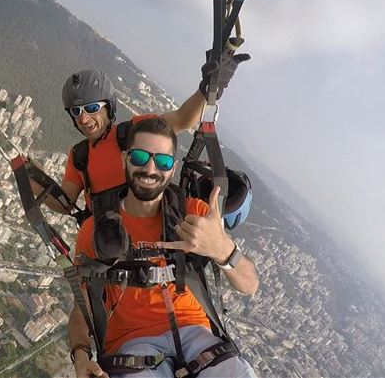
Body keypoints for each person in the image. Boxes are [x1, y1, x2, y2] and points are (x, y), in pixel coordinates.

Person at [67, 117, 259, 378]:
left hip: (196, 337)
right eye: (139, 157)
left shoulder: (194, 214)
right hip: (132, 342)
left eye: (163, 162)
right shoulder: (95, 231)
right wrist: (80, 357)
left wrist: (222, 248)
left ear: (172, 168)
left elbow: (250, 285)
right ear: (124, 158)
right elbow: (84, 307)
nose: (150, 169)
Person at [31, 51, 249, 218]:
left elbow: (183, 119)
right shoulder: (80, 156)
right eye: (76, 112)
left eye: (91, 109)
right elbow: (65, 202)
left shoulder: (135, 131)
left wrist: (209, 88)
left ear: (109, 107)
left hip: (152, 239)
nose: (84, 119)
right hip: (110, 250)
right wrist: (31, 178)